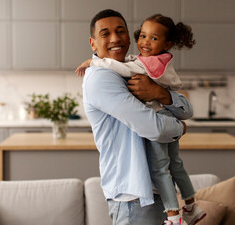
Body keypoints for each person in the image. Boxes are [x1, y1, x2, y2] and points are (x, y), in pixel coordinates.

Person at [77, 13, 205, 225]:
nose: (115, 39)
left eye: (120, 31)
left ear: (129, 37)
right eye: (105, 34)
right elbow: (155, 129)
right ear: (93, 42)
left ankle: (190, 207)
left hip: (153, 191)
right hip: (134, 195)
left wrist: (159, 93)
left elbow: (187, 109)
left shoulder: (138, 66)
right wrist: (180, 128)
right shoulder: (101, 77)